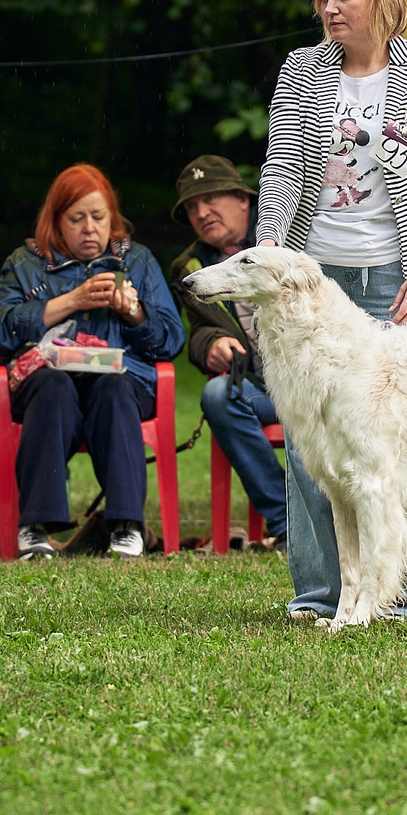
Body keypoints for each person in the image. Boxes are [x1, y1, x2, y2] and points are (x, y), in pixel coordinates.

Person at [255, 0, 407, 621]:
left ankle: (392, 597)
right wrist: (270, 244)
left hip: (399, 278)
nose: (329, 8)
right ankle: (321, 591)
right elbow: (282, 171)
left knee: (393, 440)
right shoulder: (301, 71)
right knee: (310, 441)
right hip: (312, 284)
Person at [0, 164, 185, 559]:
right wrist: (69, 302)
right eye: (77, 219)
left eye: (98, 217)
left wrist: (135, 314)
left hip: (121, 381)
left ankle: (126, 525)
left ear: (113, 218)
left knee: (113, 389)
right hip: (46, 383)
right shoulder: (25, 263)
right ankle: (36, 528)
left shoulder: (137, 262)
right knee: (54, 386)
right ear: (57, 222)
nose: (89, 229)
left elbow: (170, 339)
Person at [165, 153, 285, 547]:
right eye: (193, 207)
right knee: (218, 393)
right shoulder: (191, 267)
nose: (203, 212)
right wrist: (211, 345)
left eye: (212, 198)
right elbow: (197, 332)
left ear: (244, 200)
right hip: (260, 387)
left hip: (318, 380)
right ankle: (288, 522)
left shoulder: (287, 238)